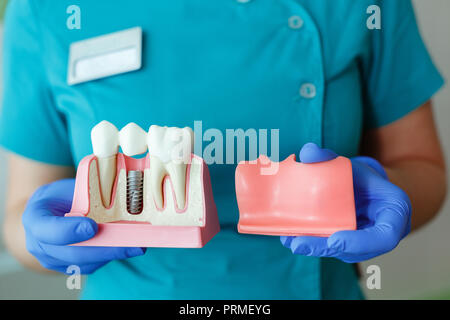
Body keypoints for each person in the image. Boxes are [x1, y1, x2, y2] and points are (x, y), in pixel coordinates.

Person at [0, 0, 446, 299]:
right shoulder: (43, 10)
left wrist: (377, 194)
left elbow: (421, 168)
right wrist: (42, 236)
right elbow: (19, 213)